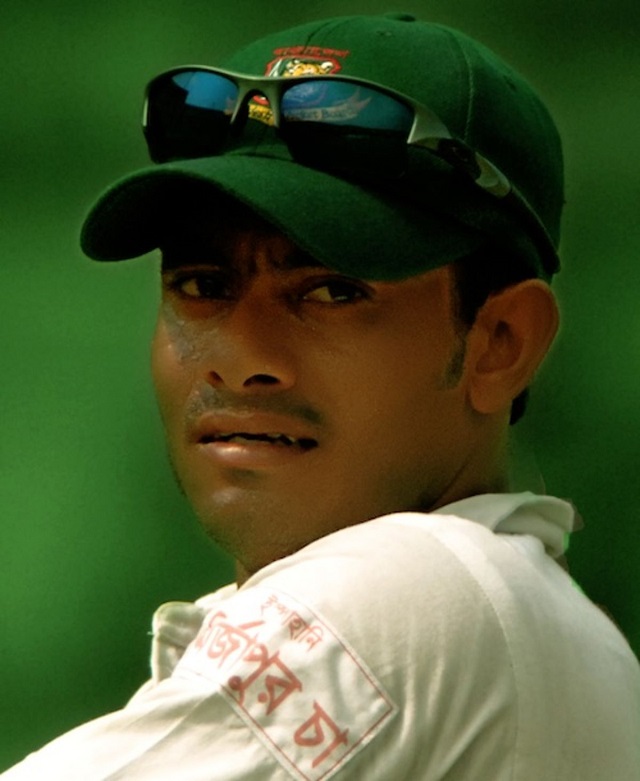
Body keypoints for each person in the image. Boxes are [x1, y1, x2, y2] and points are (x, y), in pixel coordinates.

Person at [3, 12, 639, 780]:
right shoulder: (547, 628)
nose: (242, 360)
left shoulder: (418, 592)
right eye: (202, 286)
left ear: (501, 341)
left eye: (331, 292)